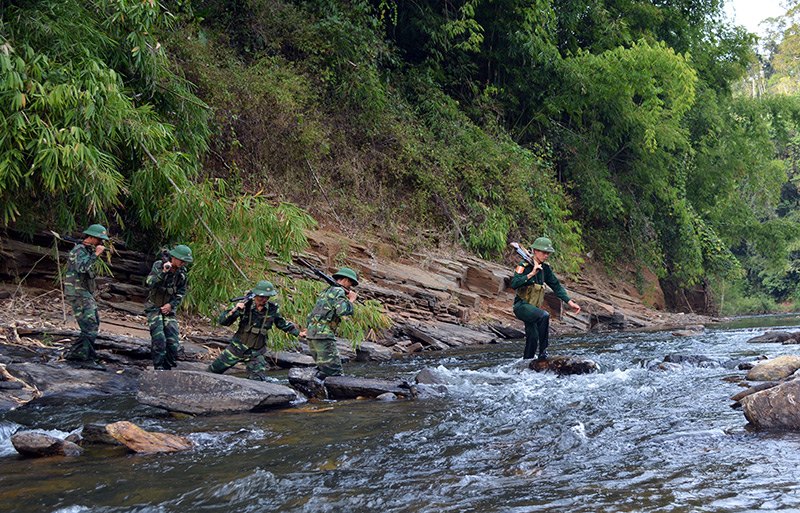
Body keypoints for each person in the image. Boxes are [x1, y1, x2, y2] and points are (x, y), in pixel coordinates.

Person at [207, 280, 306, 380]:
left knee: (258, 381)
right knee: (211, 372)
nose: (264, 299)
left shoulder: (272, 308)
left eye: (267, 297)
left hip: (256, 352)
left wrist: (299, 333)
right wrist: (234, 311)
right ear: (256, 295)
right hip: (237, 347)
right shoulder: (245, 305)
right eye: (262, 296)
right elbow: (223, 321)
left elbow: (282, 324)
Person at [510, 237, 580, 361]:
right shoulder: (523, 265)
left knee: (533, 336)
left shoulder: (545, 269)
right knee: (544, 316)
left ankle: (527, 363)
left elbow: (556, 286)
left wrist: (570, 302)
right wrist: (531, 274)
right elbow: (514, 283)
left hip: (533, 308)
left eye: (548, 253)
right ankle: (543, 352)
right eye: (543, 252)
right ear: (535, 251)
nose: (546, 255)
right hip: (521, 305)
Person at [63, 224, 110, 370]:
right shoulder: (79, 250)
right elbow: (81, 268)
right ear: (93, 238)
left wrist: (93, 252)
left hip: (84, 292)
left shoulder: (85, 249)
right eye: (100, 240)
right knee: (90, 325)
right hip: (78, 292)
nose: (102, 243)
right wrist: (95, 254)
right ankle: (88, 359)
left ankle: (75, 352)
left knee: (93, 323)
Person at [145, 244, 192, 370]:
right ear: (174, 258)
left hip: (168, 309)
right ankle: (158, 367)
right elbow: (150, 283)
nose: (183, 263)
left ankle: (168, 366)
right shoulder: (159, 266)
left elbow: (181, 292)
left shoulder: (182, 273)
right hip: (154, 307)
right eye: (182, 260)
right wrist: (164, 273)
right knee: (159, 338)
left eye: (185, 262)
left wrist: (171, 305)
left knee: (173, 340)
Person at [305, 267, 358, 377]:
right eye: (351, 283)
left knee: (323, 369)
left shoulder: (325, 291)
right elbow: (342, 311)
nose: (350, 286)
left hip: (312, 333)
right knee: (335, 371)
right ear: (347, 280)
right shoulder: (339, 291)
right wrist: (351, 300)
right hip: (324, 335)